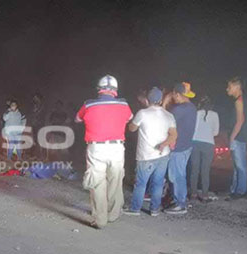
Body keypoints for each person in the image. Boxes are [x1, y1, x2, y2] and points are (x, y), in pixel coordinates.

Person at [75, 75, 133, 229]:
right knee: (115, 180)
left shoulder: (88, 105)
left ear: (99, 90)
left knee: (97, 182)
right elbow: (130, 118)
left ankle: (100, 219)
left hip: (96, 148)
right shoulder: (124, 104)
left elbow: (77, 119)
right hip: (116, 148)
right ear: (115, 90)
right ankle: (113, 214)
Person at [124, 87, 176, 216]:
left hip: (145, 155)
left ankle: (135, 209)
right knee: (158, 183)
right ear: (161, 100)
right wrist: (163, 144)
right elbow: (174, 135)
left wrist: (130, 123)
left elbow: (132, 129)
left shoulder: (142, 113)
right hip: (163, 154)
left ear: (148, 99)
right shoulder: (168, 115)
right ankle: (154, 209)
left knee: (141, 183)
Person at [163, 82, 197, 214]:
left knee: (176, 176)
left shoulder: (179, 109)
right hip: (186, 145)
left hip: (179, 147)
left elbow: (163, 118)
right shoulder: (191, 107)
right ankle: (178, 200)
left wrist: (165, 103)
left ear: (177, 94)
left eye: (174, 95)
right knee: (179, 174)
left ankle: (180, 204)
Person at [189, 95, 219, 201]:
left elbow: (193, 128)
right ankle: (205, 195)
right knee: (205, 170)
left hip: (195, 142)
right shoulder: (215, 115)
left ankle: (193, 194)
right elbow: (216, 132)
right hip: (209, 144)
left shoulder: (197, 113)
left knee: (194, 169)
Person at [226, 77, 247, 199]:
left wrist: (232, 137)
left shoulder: (238, 101)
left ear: (237, 87)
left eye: (229, 87)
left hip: (238, 138)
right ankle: (234, 189)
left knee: (240, 166)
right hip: (240, 137)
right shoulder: (241, 100)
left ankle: (240, 191)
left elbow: (240, 120)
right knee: (236, 166)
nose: (227, 89)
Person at [29, 93, 46, 158]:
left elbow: (39, 114)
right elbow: (33, 115)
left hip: (40, 125)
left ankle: (41, 155)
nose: (34, 99)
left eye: (36, 98)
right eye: (34, 98)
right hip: (34, 125)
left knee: (40, 140)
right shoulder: (34, 106)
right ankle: (35, 155)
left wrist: (36, 112)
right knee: (34, 140)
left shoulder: (42, 106)